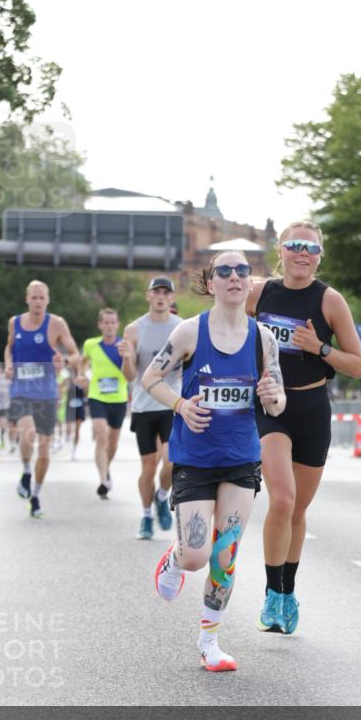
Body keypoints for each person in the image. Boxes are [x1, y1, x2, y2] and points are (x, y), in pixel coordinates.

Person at [144, 251, 286, 671]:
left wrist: (271, 398)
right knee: (195, 557)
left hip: (241, 459)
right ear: (211, 284)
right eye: (223, 271)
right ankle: (174, 558)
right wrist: (181, 405)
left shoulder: (264, 339)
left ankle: (210, 642)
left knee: (225, 555)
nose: (234, 276)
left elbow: (278, 403)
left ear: (250, 283)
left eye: (242, 270)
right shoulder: (190, 332)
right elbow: (150, 378)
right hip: (194, 459)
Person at [247, 220, 361, 635]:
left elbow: (357, 365)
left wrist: (320, 348)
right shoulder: (259, 293)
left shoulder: (329, 300)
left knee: (297, 509)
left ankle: (286, 592)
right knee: (281, 500)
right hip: (270, 406)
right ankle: (269, 592)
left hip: (313, 407)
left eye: (311, 248)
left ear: (319, 256)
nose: (303, 253)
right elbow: (224, 327)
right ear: (279, 250)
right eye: (295, 245)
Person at [4, 280, 79, 518]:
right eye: (33, 297)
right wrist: (8, 365)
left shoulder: (57, 324)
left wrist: (64, 361)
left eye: (41, 297)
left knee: (44, 450)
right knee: (28, 433)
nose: (37, 302)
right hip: (21, 391)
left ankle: (35, 495)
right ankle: (26, 470)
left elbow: (76, 355)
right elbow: (9, 348)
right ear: (27, 299)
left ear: (48, 300)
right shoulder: (15, 322)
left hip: (47, 393)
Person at [119, 276, 181, 539]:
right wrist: (126, 357)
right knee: (148, 467)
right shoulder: (134, 329)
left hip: (171, 402)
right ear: (148, 295)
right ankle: (146, 517)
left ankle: (162, 496)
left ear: (172, 298)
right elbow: (129, 375)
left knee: (170, 462)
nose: (161, 296)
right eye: (157, 291)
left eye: (166, 293)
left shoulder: (182, 328)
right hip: (144, 406)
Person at [79, 308, 128, 499]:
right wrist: (82, 374)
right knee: (101, 435)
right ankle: (103, 480)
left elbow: (131, 370)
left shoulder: (124, 345)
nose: (109, 326)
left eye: (112, 322)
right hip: (97, 396)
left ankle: (106, 469)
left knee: (112, 442)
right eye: (105, 322)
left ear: (118, 324)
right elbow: (83, 362)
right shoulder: (91, 344)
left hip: (119, 398)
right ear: (100, 325)